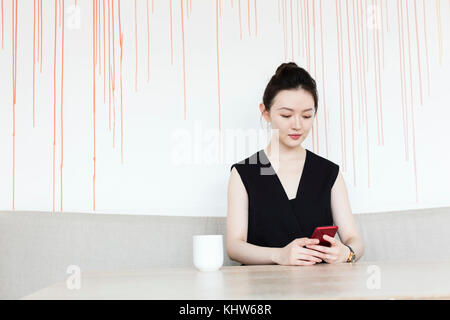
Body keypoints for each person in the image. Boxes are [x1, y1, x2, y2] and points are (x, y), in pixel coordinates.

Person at [226, 62, 364, 266]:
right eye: (286, 115)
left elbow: (354, 239)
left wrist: (347, 253)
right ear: (265, 112)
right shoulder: (244, 173)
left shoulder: (328, 173)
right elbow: (234, 247)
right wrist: (279, 255)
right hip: (262, 288)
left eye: (307, 116)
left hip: (320, 289)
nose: (298, 125)